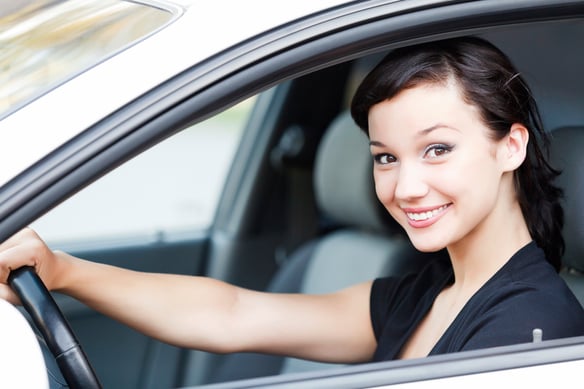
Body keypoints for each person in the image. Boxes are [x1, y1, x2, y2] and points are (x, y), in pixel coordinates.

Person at [0, 37, 583, 364]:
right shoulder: (426, 292)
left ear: (510, 147)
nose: (404, 187)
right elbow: (233, 315)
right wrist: (61, 270)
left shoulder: (533, 331)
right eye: (386, 157)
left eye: (436, 150)